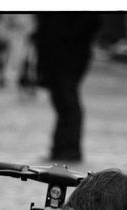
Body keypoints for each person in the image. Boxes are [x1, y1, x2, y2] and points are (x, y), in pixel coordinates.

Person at [33, 12, 102, 163]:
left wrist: (70, 39)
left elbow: (91, 21)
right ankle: (60, 147)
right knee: (61, 100)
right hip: (57, 52)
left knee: (67, 100)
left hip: (68, 53)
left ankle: (69, 149)